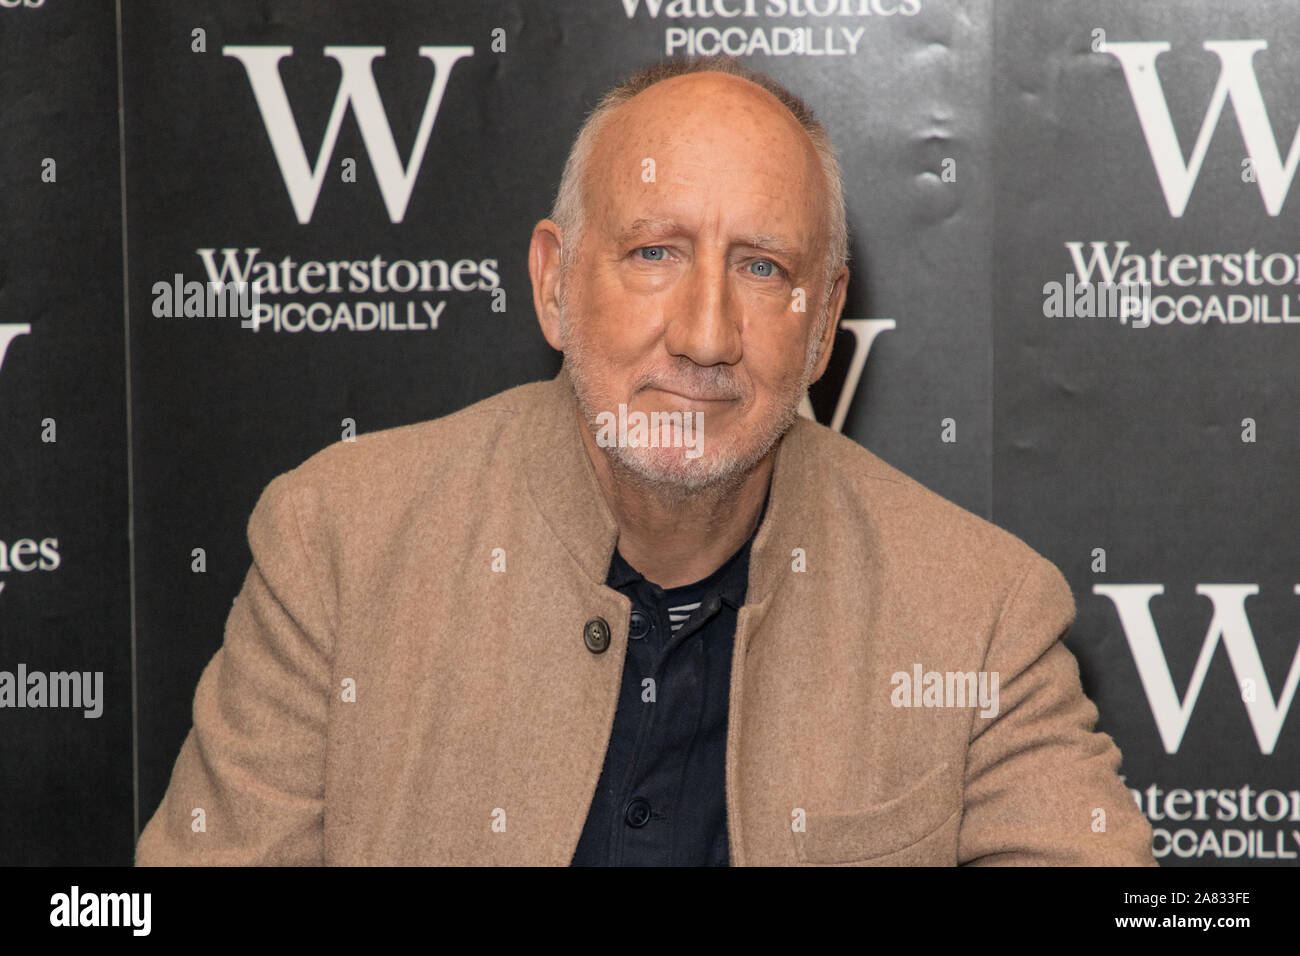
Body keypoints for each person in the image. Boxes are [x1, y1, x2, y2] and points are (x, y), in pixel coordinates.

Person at [137, 56, 1156, 866]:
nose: (705, 334)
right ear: (552, 284)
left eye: (761, 267)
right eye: (653, 253)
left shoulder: (980, 612)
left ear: (822, 323)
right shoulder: (338, 545)